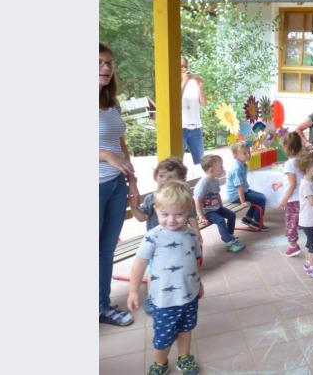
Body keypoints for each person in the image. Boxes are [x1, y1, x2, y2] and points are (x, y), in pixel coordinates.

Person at [127, 181, 203, 375]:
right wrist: (133, 291)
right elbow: (139, 263)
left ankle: (184, 357)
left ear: (188, 212)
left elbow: (193, 261)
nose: (171, 220)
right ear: (156, 210)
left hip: (189, 295)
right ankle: (160, 363)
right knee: (163, 336)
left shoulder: (191, 234)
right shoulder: (153, 236)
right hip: (164, 300)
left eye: (178, 214)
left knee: (186, 329)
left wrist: (199, 283)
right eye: (165, 214)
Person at [129, 156, 201, 315]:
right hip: (156, 246)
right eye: (161, 176)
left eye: (171, 177)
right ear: (155, 177)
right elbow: (142, 218)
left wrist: (197, 234)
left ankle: (184, 293)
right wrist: (134, 207)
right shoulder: (151, 199)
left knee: (181, 267)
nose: (165, 180)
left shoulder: (183, 199)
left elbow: (192, 217)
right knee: (154, 272)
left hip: (179, 241)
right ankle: (152, 298)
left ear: (180, 180)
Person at [99, 42, 139, 327]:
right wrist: (103, 154)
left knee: (106, 249)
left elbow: (121, 144)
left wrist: (133, 181)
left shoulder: (111, 104)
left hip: (116, 185)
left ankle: (101, 306)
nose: (106, 68)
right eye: (99, 62)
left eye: (109, 63)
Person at [195, 154, 245, 253]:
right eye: (220, 166)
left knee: (231, 214)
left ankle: (229, 236)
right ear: (211, 170)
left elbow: (217, 194)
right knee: (221, 220)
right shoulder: (204, 183)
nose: (223, 168)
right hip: (207, 211)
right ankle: (229, 243)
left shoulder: (216, 180)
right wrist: (201, 215)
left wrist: (221, 207)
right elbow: (198, 200)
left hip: (217, 208)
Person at [272, 132, 305, 257]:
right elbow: (297, 178)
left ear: (288, 148)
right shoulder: (301, 160)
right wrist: (281, 183)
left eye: (283, 147)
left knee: (291, 223)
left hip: (294, 200)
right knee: (304, 221)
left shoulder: (290, 163)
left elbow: (292, 184)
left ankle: (293, 246)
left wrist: (284, 200)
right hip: (303, 197)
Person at [226, 142, 267, 229]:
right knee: (261, 199)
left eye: (249, 152)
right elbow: (239, 186)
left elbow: (242, 187)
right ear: (235, 156)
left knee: (261, 197)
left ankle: (247, 219)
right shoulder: (236, 168)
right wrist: (243, 201)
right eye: (244, 153)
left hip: (242, 191)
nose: (248, 154)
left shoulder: (242, 164)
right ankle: (256, 222)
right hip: (236, 195)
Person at [181, 56, 207, 166]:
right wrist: (184, 82)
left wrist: (200, 86)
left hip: (196, 127)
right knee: (177, 163)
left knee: (201, 163)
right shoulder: (172, 82)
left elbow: (204, 103)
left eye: (185, 66)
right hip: (180, 128)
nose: (183, 69)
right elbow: (173, 102)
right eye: (180, 66)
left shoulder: (193, 83)